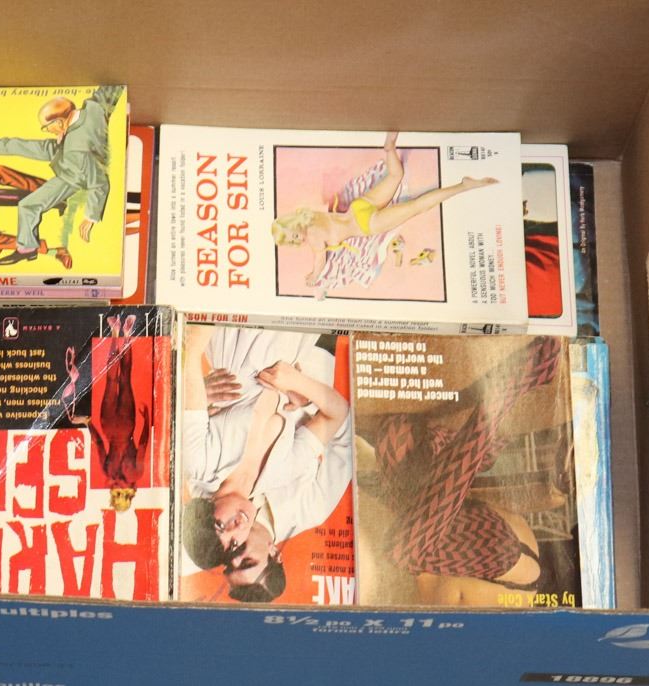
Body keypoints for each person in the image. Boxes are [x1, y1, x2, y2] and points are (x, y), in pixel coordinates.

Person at [357, 337, 564, 606]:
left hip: (449, 533)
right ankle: (505, 393)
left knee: (396, 437)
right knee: (403, 552)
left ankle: (465, 446)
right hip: (502, 559)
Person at [180, 325, 352, 602]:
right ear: (275, 553)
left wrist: (193, 390)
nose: (236, 530)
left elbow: (190, 349)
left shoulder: (200, 465)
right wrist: (299, 385)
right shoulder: (283, 476)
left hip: (236, 328)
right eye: (237, 549)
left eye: (221, 527)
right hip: (299, 340)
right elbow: (339, 416)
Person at [271, 132, 498, 294]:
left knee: (418, 206)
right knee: (395, 176)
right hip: (358, 207)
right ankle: (389, 148)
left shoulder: (313, 238)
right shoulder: (310, 215)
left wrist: (314, 276)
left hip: (367, 223)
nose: (297, 239)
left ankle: (463, 186)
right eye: (293, 241)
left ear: (293, 225)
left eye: (293, 235)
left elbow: (320, 261)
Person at [0, 85, 125, 264]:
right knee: (17, 145)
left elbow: (100, 183)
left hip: (71, 175)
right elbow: (108, 91)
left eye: (47, 127)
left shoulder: (77, 150)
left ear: (59, 122)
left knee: (28, 205)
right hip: (63, 150)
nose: (47, 131)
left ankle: (27, 248)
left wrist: (91, 217)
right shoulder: (93, 109)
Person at [74, 314, 151, 512]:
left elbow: (99, 444)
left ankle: (117, 332)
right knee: (123, 379)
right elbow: (143, 444)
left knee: (113, 380)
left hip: (108, 422)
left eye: (113, 494)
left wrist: (87, 423)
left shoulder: (108, 471)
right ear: (128, 492)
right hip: (125, 424)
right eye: (119, 494)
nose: (114, 488)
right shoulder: (135, 474)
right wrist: (147, 419)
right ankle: (125, 334)